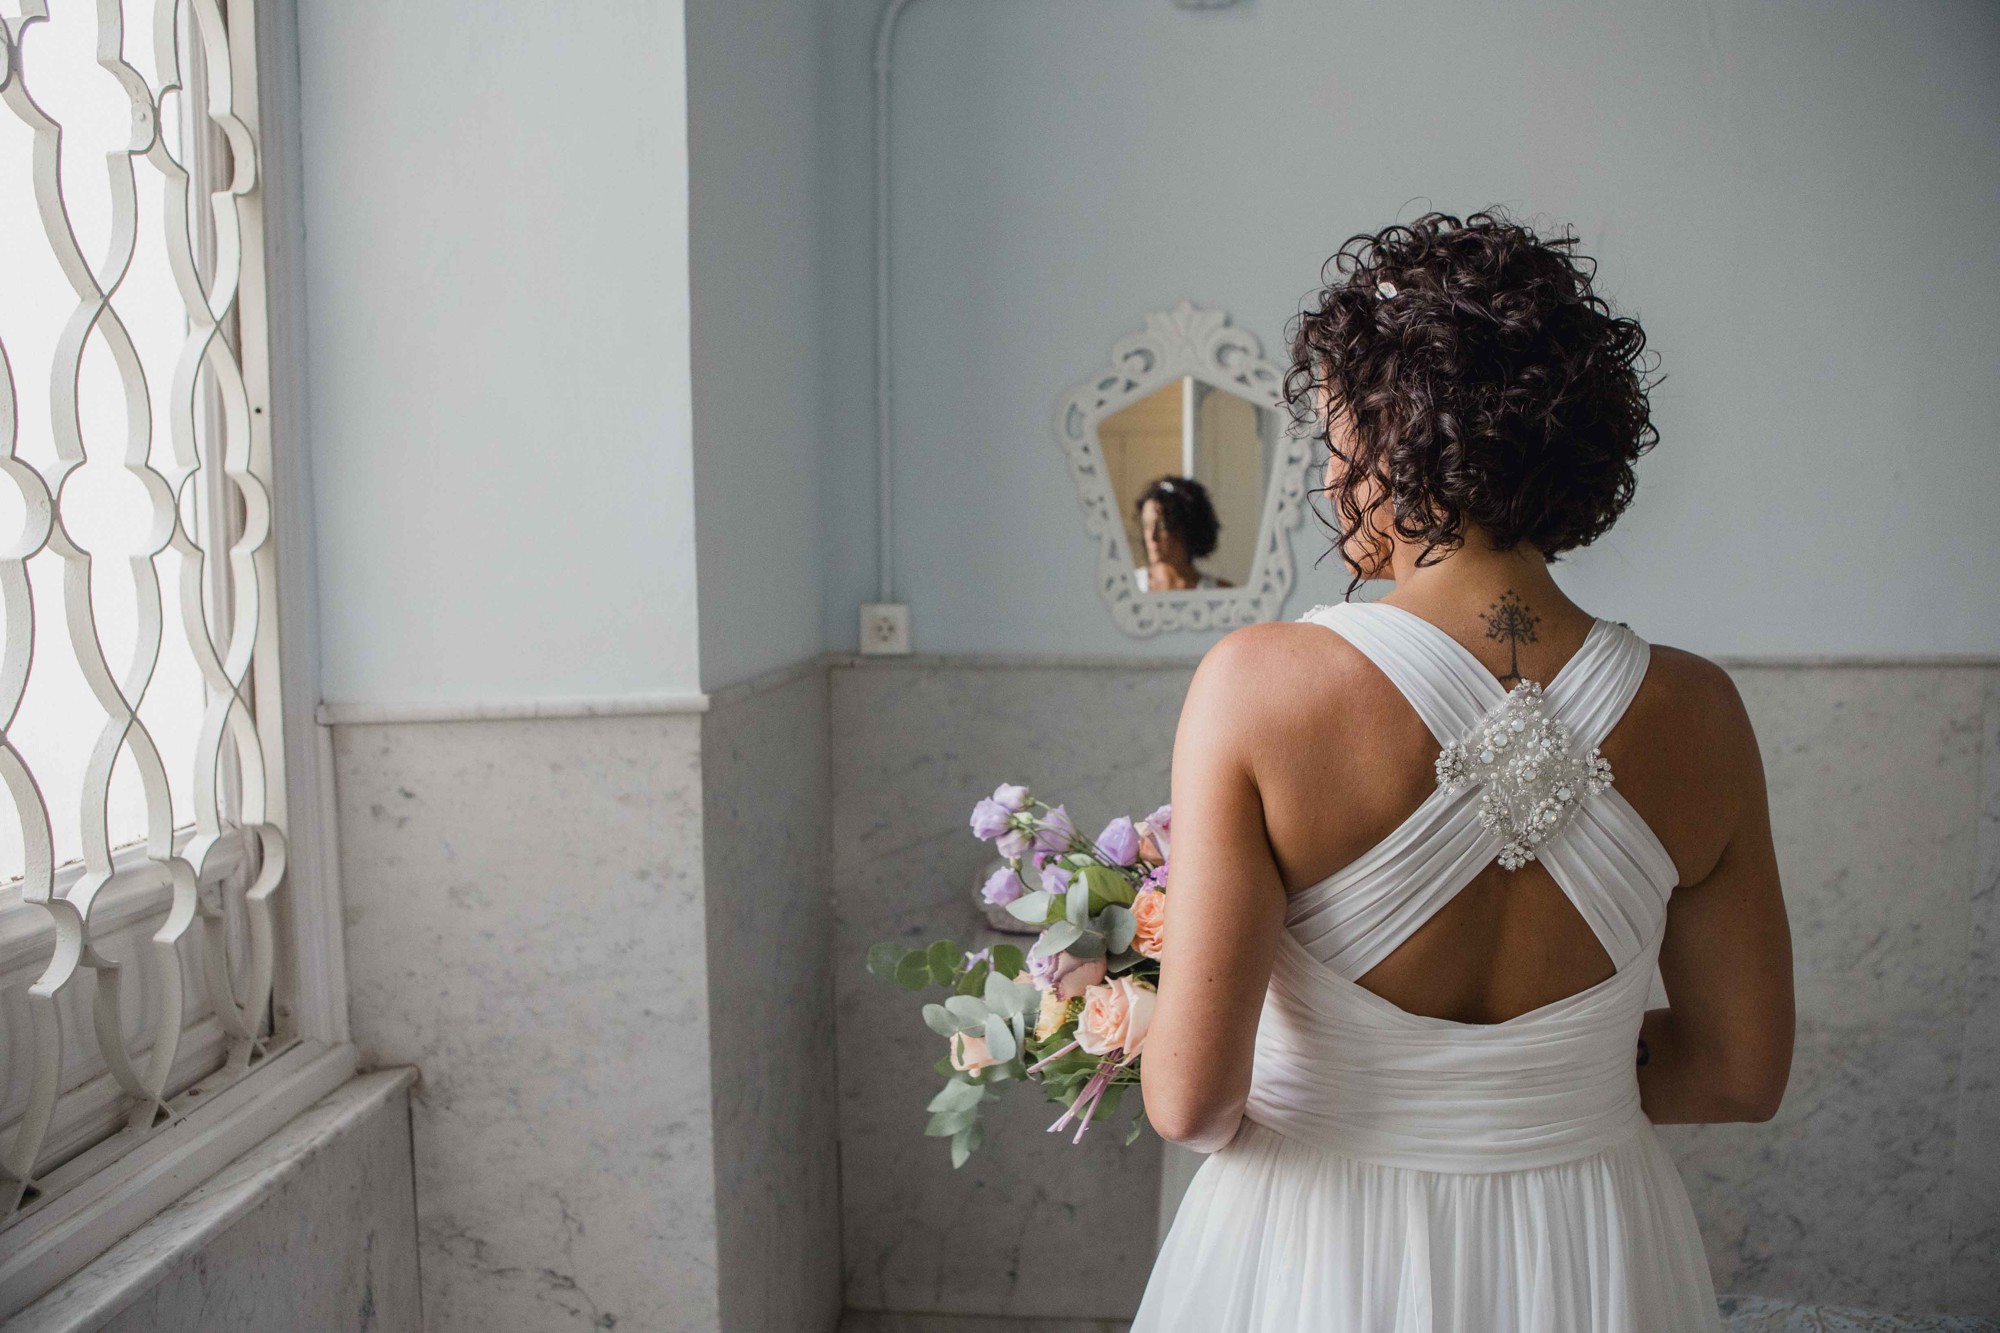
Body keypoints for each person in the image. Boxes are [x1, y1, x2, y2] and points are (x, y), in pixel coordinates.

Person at [1134, 211, 1793, 1332]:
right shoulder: (1700, 712)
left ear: (1395, 438)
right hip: (1587, 1246)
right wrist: (1537, 1087)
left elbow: (1192, 1100)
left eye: (1338, 434)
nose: (1330, 472)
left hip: (1316, 1248)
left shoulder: (1259, 686)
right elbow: (1737, 1073)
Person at [1133, 475, 1234, 591]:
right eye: (1146, 525)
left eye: (1162, 526)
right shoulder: (1129, 589)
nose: (1152, 537)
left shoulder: (1220, 594)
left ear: (1187, 528)